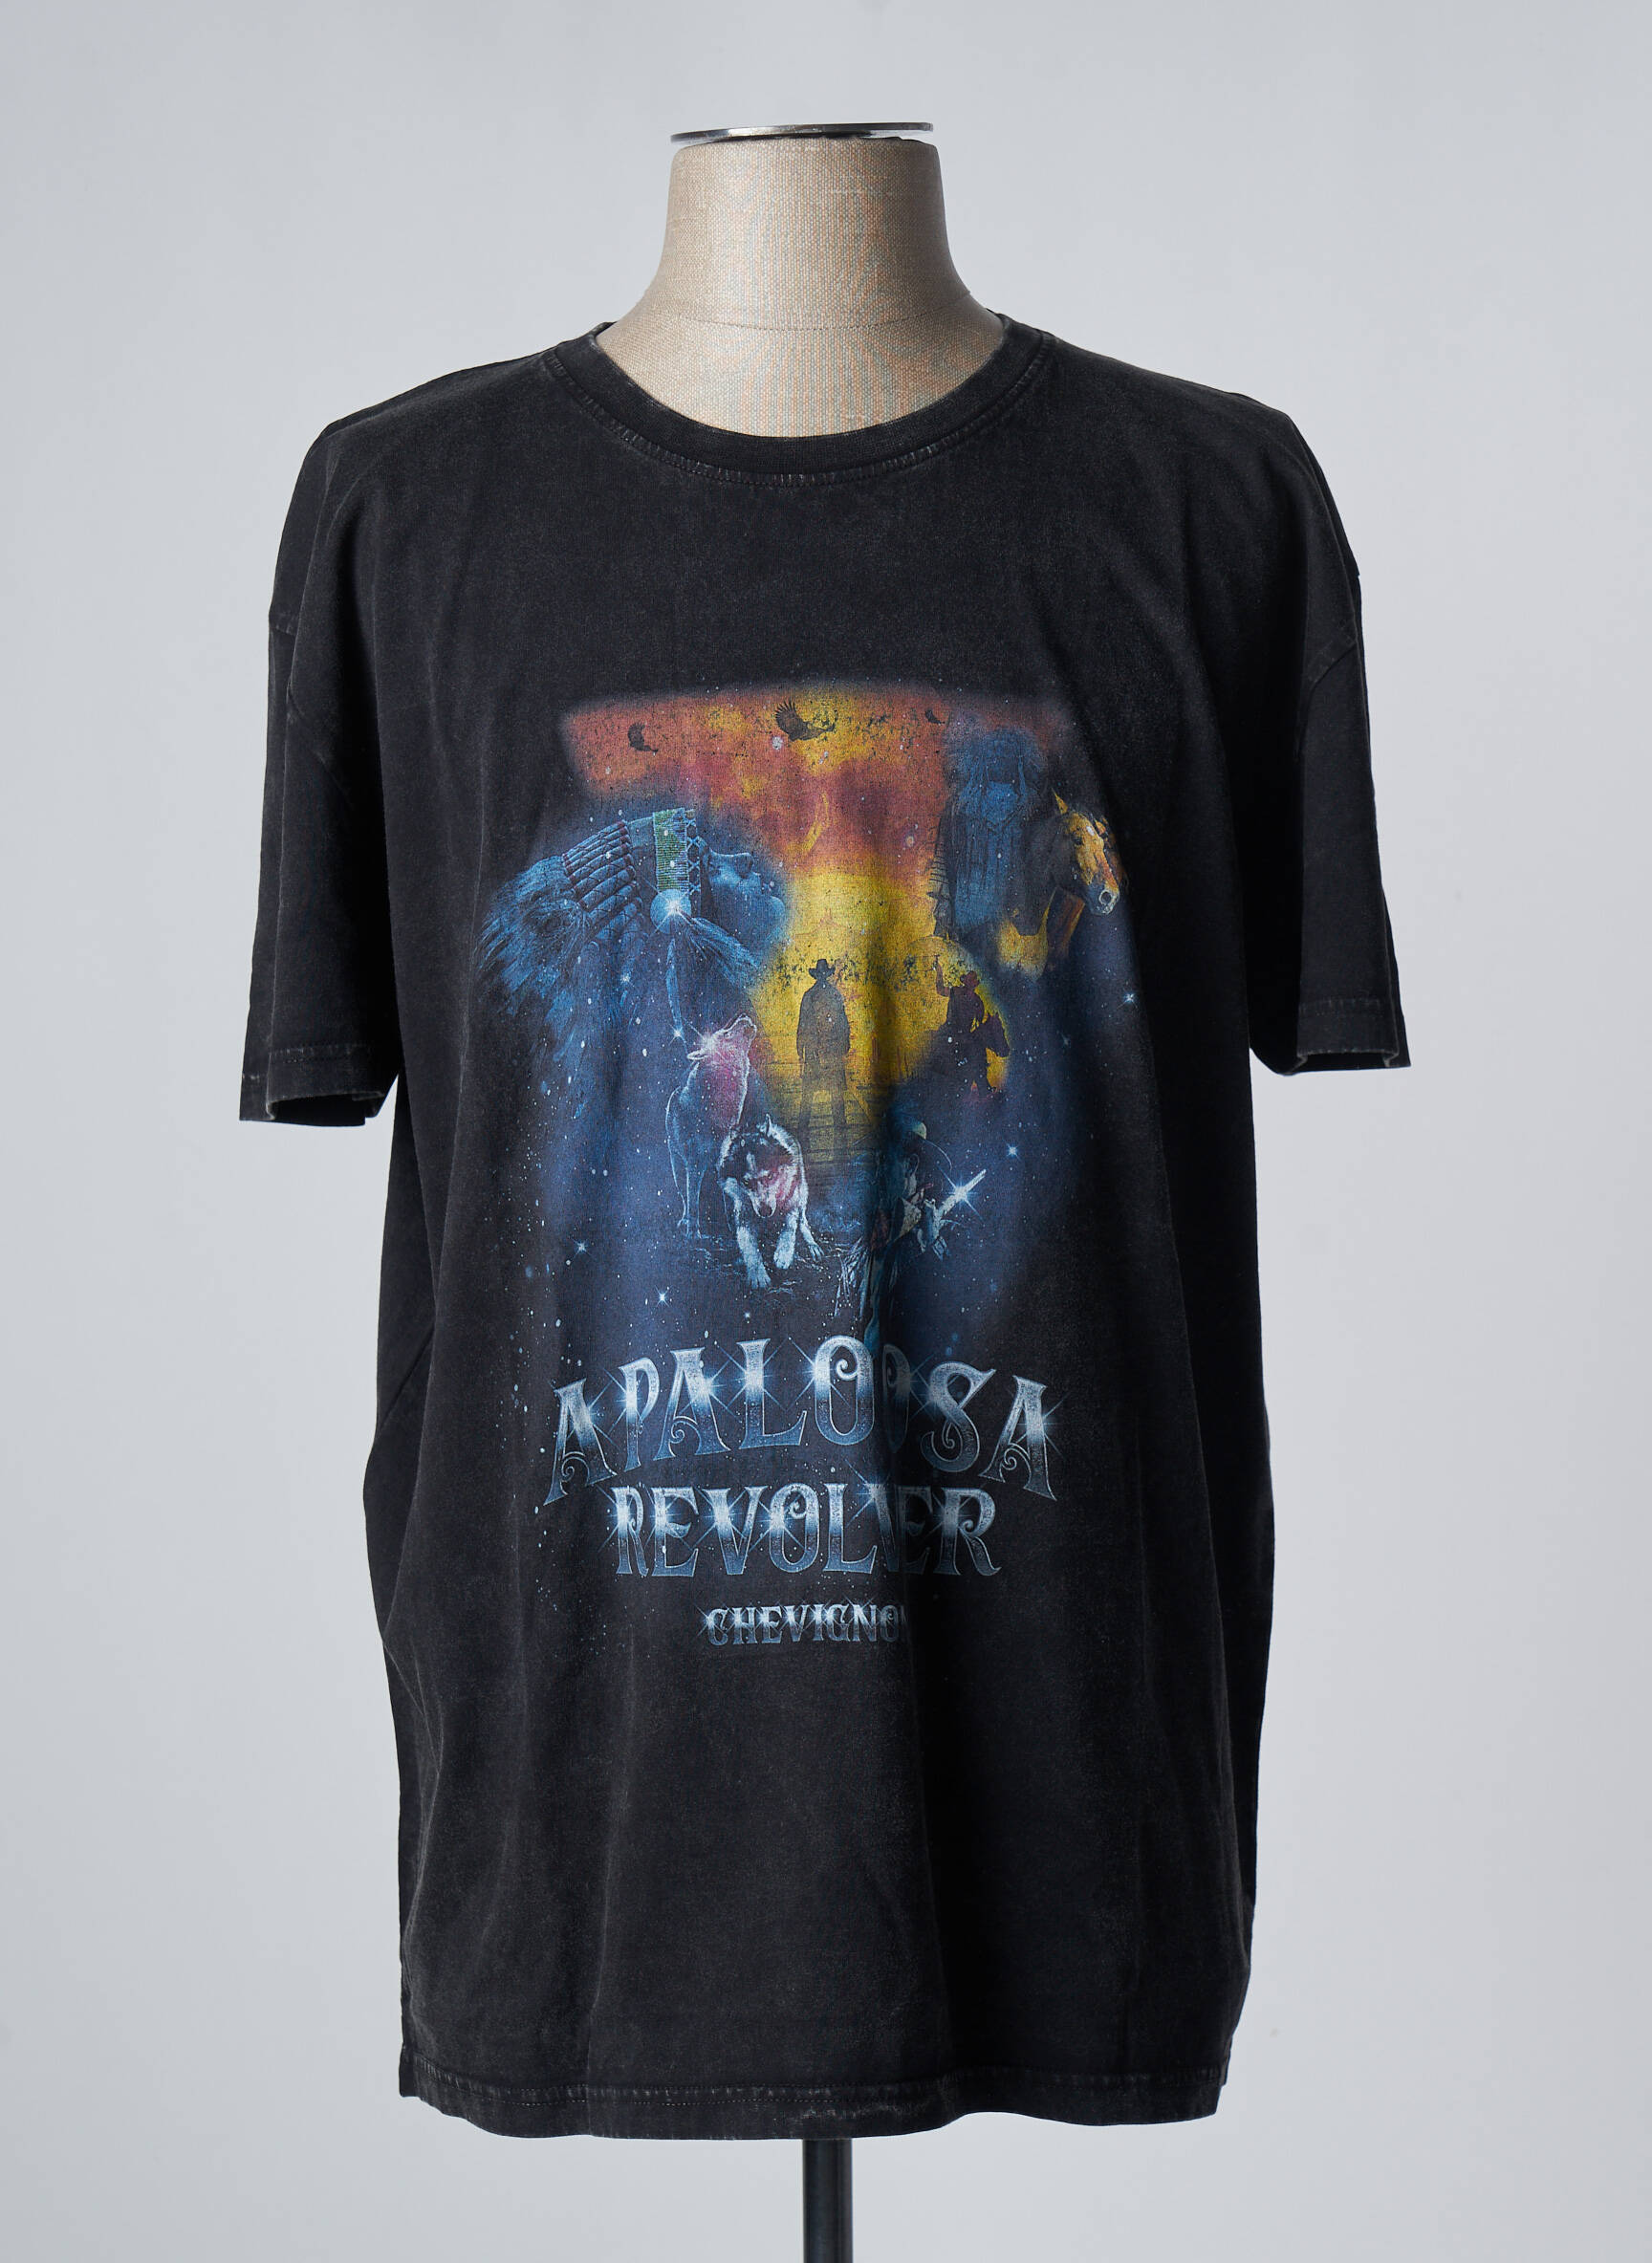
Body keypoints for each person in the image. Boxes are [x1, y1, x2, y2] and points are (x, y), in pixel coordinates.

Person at [795, 956, 851, 1152]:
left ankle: (803, 1129)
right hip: (829, 1053)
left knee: (812, 1093)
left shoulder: (809, 996)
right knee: (832, 1094)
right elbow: (843, 1026)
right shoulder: (834, 995)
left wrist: (801, 1049)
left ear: (820, 976)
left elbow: (802, 1026)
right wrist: (844, 1046)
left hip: (816, 1053)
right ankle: (838, 1129)